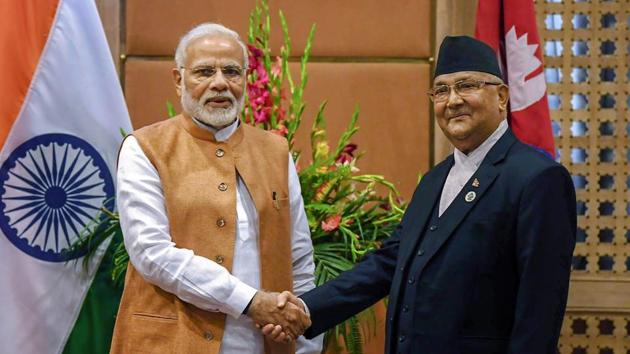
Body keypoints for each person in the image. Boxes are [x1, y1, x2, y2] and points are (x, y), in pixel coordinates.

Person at [263, 35, 577, 354]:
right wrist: (307, 308)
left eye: (466, 85)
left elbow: (540, 309)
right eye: (441, 90)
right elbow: (389, 263)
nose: (452, 100)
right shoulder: (434, 180)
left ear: (502, 97)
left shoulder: (537, 178)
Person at [110, 23, 320, 354]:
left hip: (261, 345)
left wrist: (307, 343)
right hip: (170, 343)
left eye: (232, 72)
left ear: (246, 81)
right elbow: (151, 253)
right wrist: (249, 301)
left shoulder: (276, 151)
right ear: (178, 80)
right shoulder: (144, 148)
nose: (220, 83)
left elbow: (300, 258)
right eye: (204, 71)